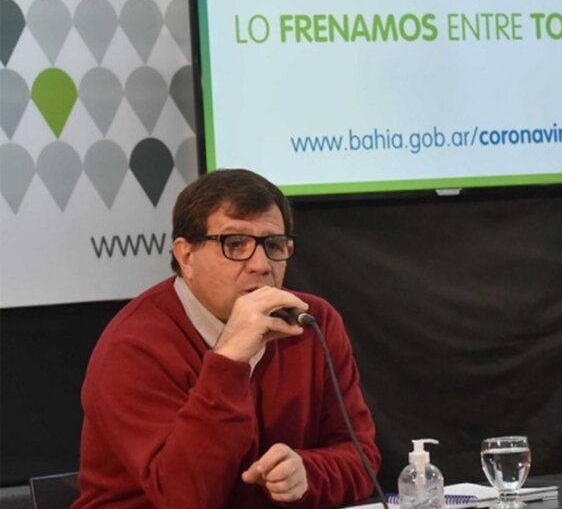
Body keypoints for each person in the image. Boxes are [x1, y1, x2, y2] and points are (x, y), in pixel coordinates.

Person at [73, 169, 380, 507]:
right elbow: (185, 498)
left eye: (274, 245)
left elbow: (361, 458)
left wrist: (308, 473)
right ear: (186, 256)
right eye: (235, 244)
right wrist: (229, 360)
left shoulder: (313, 322)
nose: (261, 265)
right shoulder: (133, 346)